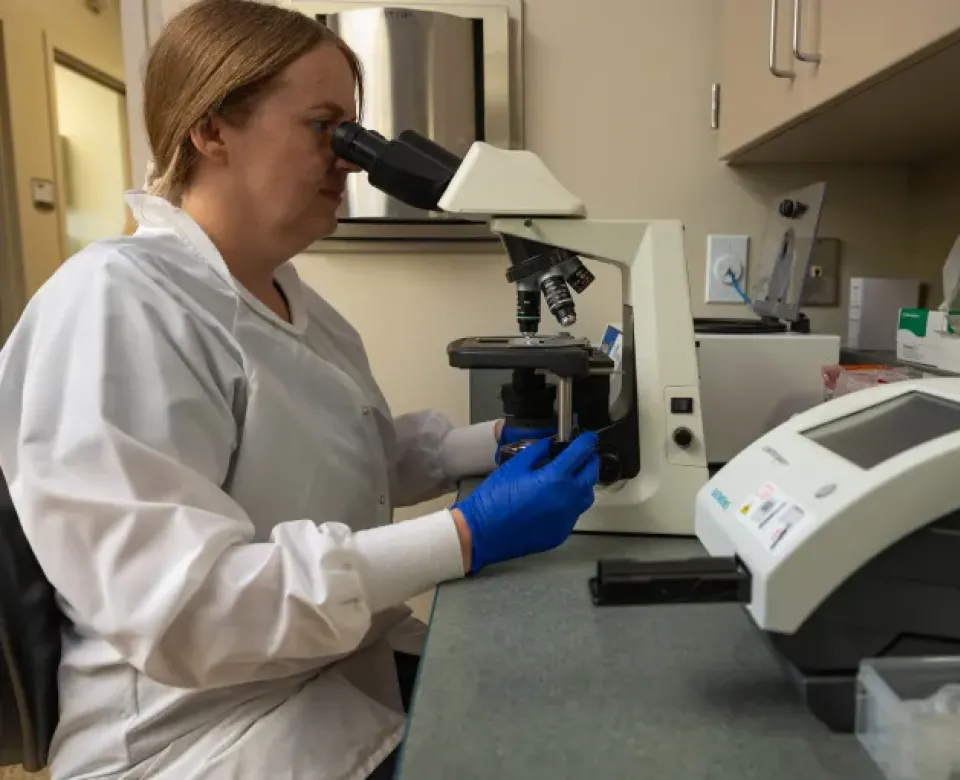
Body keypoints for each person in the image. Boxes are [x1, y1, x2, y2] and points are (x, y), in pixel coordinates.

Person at [0, 1, 601, 779]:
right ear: (212, 130)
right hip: (196, 739)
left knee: (566, 711)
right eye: (325, 128)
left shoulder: (290, 299)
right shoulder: (115, 304)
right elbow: (188, 611)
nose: (351, 160)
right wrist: (464, 535)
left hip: (322, 677)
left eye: (353, 133)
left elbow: (341, 457)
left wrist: (480, 447)